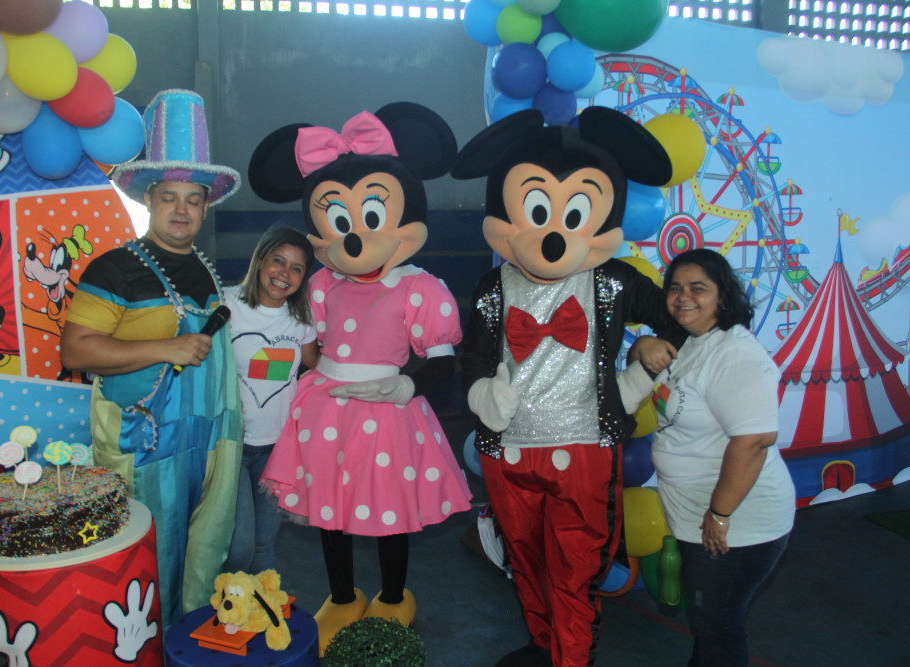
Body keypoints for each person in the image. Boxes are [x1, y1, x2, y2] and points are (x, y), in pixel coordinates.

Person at [452, 107, 678, 667]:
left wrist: (641, 372)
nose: (552, 236)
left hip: (583, 452)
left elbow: (680, 316)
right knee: (524, 558)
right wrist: (482, 393)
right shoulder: (492, 287)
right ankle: (541, 644)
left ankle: (571, 659)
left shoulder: (614, 281)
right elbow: (472, 357)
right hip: (508, 451)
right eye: (536, 209)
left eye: (574, 212)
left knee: (575, 569)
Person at [247, 102, 472, 655]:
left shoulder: (419, 287)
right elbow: (305, 343)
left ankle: (393, 596)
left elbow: (443, 358)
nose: (353, 239)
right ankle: (344, 596)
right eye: (339, 221)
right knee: (330, 508)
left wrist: (409, 384)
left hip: (388, 411)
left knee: (390, 512)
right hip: (326, 406)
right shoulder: (323, 283)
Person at [60, 89, 244, 628]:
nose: (181, 210)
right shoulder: (113, 268)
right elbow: (75, 350)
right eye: (169, 197)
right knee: (146, 562)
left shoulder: (206, 269)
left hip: (210, 441)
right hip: (144, 445)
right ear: (148, 200)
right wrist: (166, 347)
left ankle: (190, 644)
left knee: (204, 555)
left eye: (193, 199)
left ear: (205, 206)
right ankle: (141, 650)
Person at [625, 248, 795, 667]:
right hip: (695, 517)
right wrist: (641, 346)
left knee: (716, 626)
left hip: (736, 526)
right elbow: (643, 377)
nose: (684, 296)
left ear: (722, 296)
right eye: (675, 288)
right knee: (708, 625)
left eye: (698, 288)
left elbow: (754, 441)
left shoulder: (734, 355)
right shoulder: (688, 341)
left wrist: (719, 514)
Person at [224, 226, 319, 574]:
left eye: (296, 268)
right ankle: (223, 600)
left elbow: (316, 364)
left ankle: (262, 607)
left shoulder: (301, 318)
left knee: (264, 549)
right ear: (261, 260)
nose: (284, 273)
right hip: (231, 446)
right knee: (240, 545)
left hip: (277, 450)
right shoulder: (225, 303)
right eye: (278, 261)